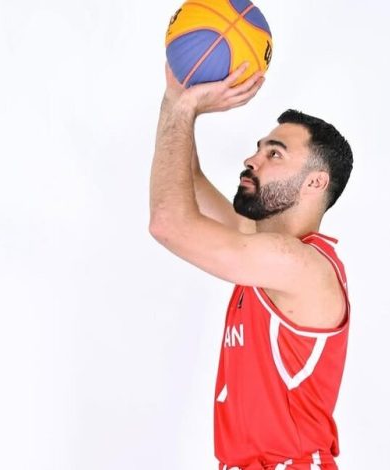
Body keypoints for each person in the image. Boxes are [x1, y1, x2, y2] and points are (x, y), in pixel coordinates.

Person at [149, 62, 354, 470]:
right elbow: (186, 177)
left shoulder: (301, 266)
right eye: (259, 148)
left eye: (274, 153)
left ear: (315, 182)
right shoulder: (261, 249)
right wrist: (176, 98)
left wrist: (184, 109)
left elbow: (168, 223)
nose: (252, 159)